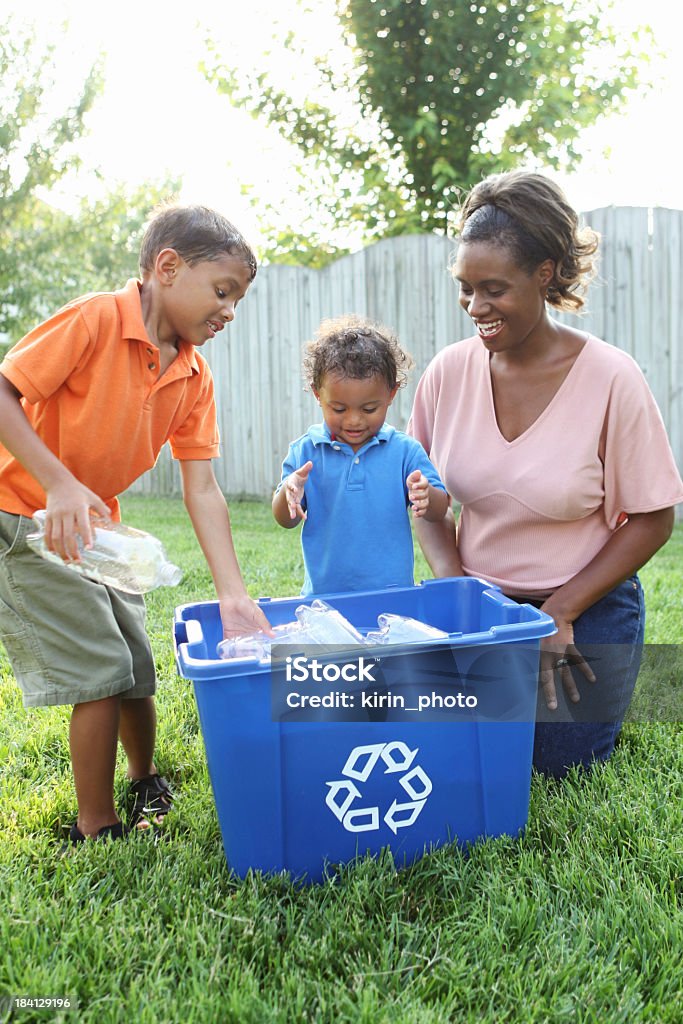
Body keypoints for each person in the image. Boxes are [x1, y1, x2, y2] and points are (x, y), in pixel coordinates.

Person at [0, 203, 272, 845]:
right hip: (18, 518)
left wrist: (233, 594)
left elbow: (202, 489)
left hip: (94, 526)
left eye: (237, 300)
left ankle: (145, 775)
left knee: (135, 655)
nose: (229, 311)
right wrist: (60, 482)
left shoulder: (194, 376)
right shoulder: (96, 319)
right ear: (168, 267)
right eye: (223, 291)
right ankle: (96, 824)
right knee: (100, 664)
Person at [407, 170, 683, 778]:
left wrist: (558, 613)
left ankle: (611, 675)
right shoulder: (447, 374)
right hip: (481, 601)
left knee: (549, 767)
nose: (475, 308)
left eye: (494, 289)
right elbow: (424, 498)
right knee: (451, 747)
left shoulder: (612, 377)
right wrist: (456, 590)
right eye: (465, 288)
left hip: (585, 605)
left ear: (546, 273)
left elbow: (654, 518)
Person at [273, 315, 449, 596]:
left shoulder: (405, 452)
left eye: (369, 409)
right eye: (339, 409)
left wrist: (427, 496)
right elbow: (285, 519)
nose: (354, 420)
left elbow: (439, 511)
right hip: (325, 601)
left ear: (391, 394)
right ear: (318, 395)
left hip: (392, 598)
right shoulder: (305, 451)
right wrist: (288, 496)